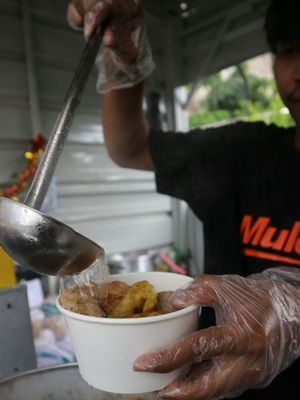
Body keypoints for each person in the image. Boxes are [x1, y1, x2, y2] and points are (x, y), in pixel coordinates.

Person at [67, 0, 300, 399]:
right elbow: (129, 146)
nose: (298, 73)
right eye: (288, 50)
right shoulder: (242, 152)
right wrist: (125, 52)